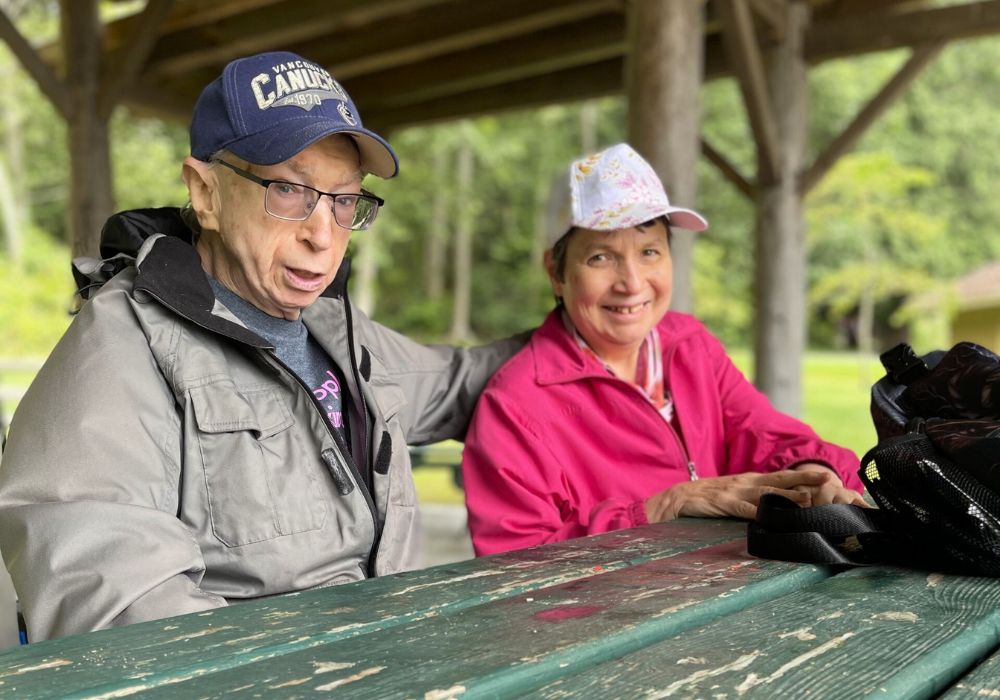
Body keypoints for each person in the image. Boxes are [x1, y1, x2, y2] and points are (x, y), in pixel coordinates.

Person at [0, 51, 522, 641]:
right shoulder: (124, 349)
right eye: (289, 190)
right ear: (206, 193)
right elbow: (114, 602)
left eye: (344, 200)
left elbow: (469, 380)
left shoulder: (339, 333)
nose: (323, 236)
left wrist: (606, 320)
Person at [461, 143, 864, 556]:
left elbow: (763, 433)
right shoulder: (515, 406)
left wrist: (812, 473)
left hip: (723, 598)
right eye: (601, 257)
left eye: (649, 251)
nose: (632, 283)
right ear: (556, 273)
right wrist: (659, 508)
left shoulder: (689, 346)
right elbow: (511, 568)